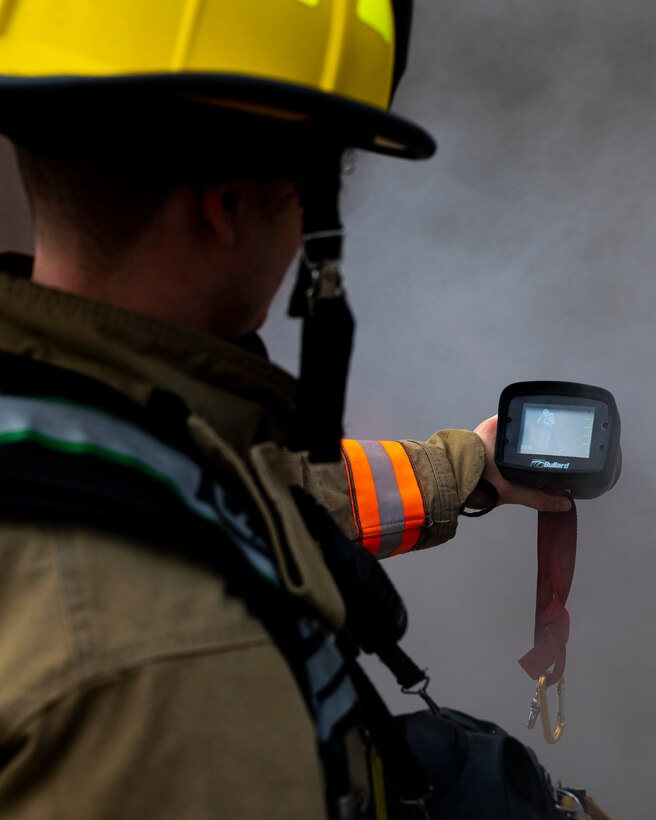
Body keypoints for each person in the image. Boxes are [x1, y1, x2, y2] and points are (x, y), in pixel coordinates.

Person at [0, 2, 571, 818]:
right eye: (324, 179)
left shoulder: (71, 406)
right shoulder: (175, 669)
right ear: (227, 204)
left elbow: (257, 495)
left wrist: (468, 469)